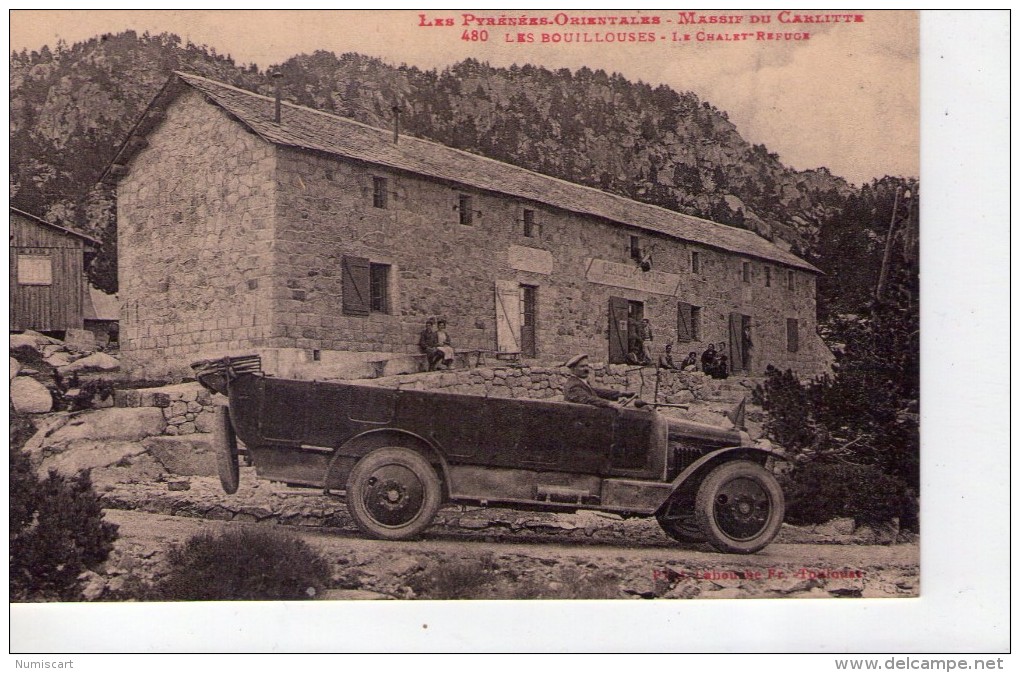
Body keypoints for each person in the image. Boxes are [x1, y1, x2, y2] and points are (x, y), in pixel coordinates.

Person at [562, 354, 640, 408]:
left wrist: (620, 393)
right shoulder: (573, 385)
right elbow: (588, 399)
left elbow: (595, 391)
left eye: (587, 366)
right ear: (573, 369)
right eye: (582, 366)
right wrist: (610, 404)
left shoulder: (580, 381)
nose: (586, 369)